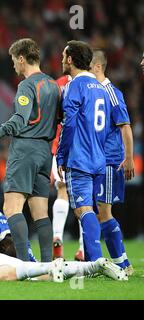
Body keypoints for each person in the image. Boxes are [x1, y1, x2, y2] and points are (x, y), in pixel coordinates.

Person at [0, 38, 60, 262]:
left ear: (21, 58)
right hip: (44, 152)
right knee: (41, 213)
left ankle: (24, 265)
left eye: (14, 60)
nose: (13, 65)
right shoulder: (52, 84)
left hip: (25, 150)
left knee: (12, 208)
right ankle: (48, 265)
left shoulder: (26, 85)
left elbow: (20, 118)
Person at [56, 40, 112, 262]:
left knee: (82, 210)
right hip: (98, 158)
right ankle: (92, 258)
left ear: (70, 59)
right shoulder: (102, 88)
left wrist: (61, 154)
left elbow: (68, 124)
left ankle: (95, 262)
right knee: (89, 209)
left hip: (79, 158)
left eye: (63, 56)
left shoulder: (74, 86)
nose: (61, 59)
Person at [89, 49, 134, 275]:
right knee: (96, 212)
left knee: (103, 213)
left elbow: (125, 126)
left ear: (97, 67)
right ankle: (110, 261)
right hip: (97, 161)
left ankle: (123, 264)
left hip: (110, 161)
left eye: (88, 67)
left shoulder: (111, 92)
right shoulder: (95, 92)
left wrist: (129, 157)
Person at [51, 75, 85, 261]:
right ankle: (82, 247)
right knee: (84, 197)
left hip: (60, 145)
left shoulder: (59, 84)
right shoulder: (89, 83)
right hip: (83, 148)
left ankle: (57, 236)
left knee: (62, 191)